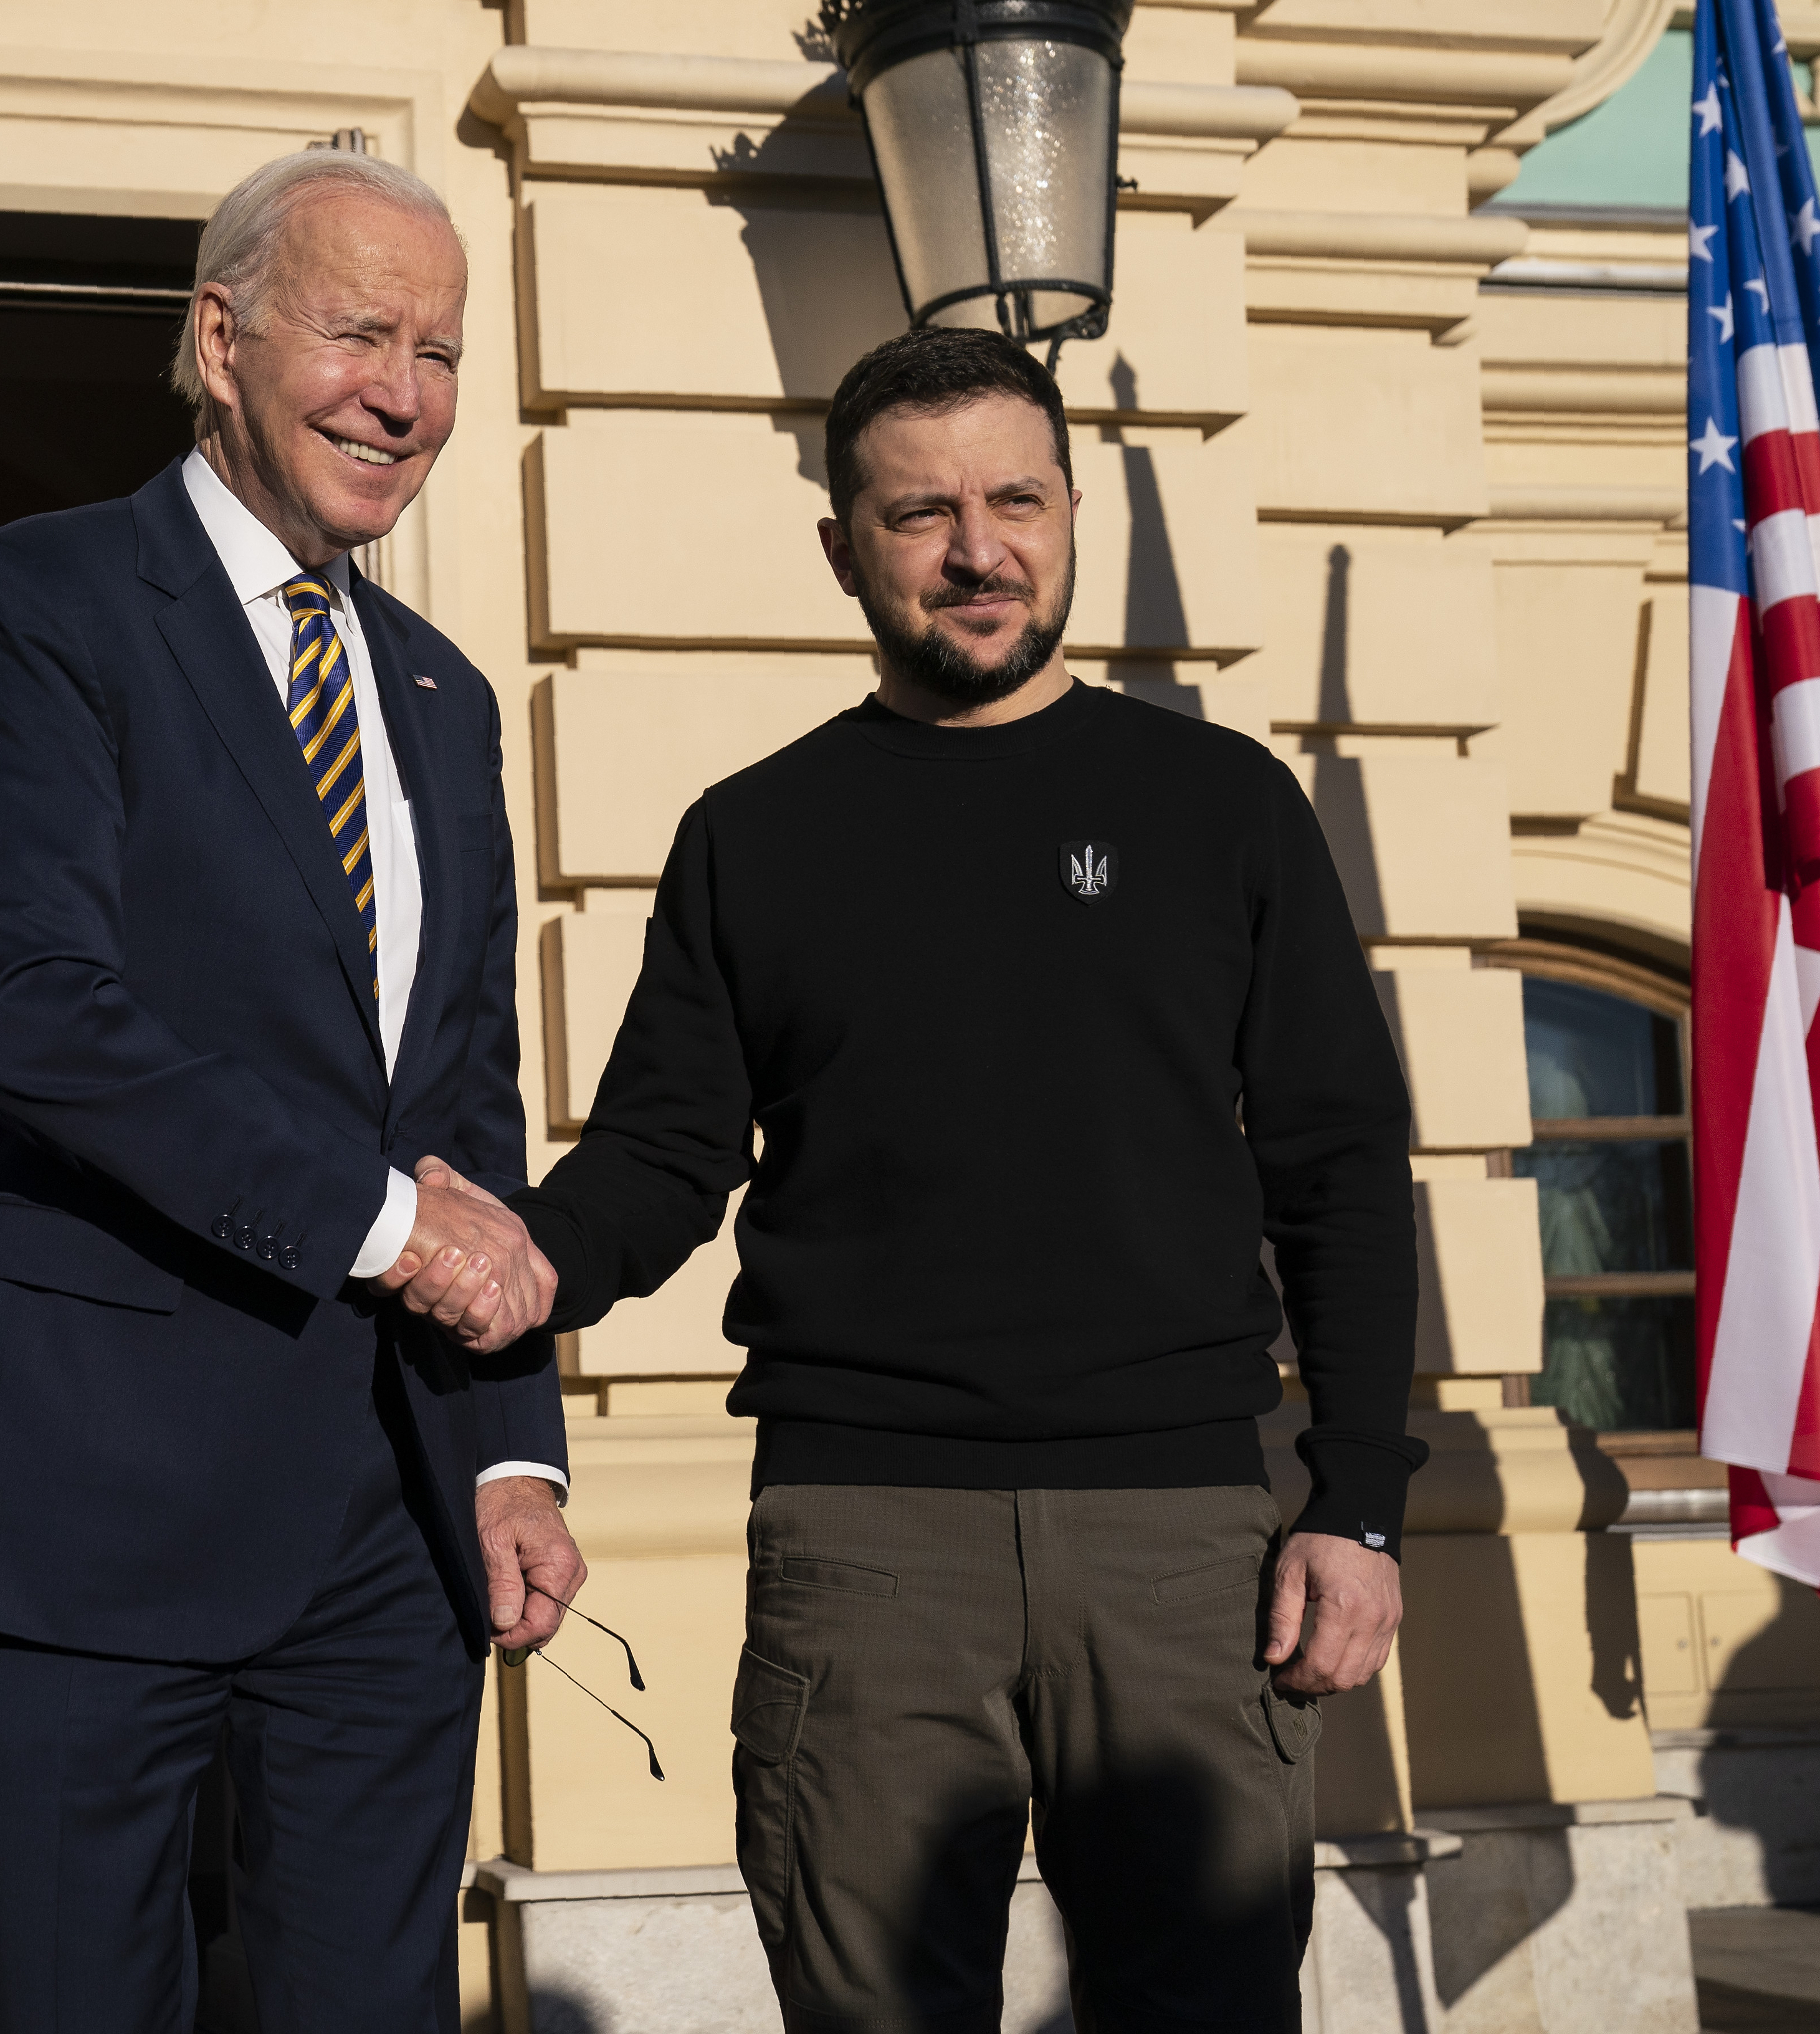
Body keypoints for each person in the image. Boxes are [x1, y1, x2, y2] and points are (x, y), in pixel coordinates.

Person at [391, 326, 1426, 2028]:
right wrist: (523, 1259)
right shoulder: (754, 835)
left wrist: (1359, 1499)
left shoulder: (1222, 806)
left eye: (1017, 501)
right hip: (863, 1545)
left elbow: (1342, 1168)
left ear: (1071, 513)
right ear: (843, 548)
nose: (977, 552)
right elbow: (663, 1153)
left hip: (1182, 1543)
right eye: (921, 513)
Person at [0, 150, 583, 2032]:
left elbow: (465, 1108)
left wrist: (507, 1448)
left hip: (384, 1515)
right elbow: (33, 1010)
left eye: (439, 351)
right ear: (221, 338)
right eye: (359, 334)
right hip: (81, 1487)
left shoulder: (443, 696)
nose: (402, 394)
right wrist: (393, 1232)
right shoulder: (38, 599)